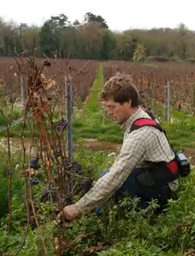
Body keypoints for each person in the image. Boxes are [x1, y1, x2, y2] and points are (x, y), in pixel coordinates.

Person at [61, 74, 182, 221]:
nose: (109, 112)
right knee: (104, 176)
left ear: (128, 102)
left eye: (112, 107)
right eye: (107, 107)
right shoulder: (141, 116)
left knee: (113, 182)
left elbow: (116, 176)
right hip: (154, 175)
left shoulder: (140, 136)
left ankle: (145, 217)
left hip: (162, 189)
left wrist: (78, 208)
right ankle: (102, 211)